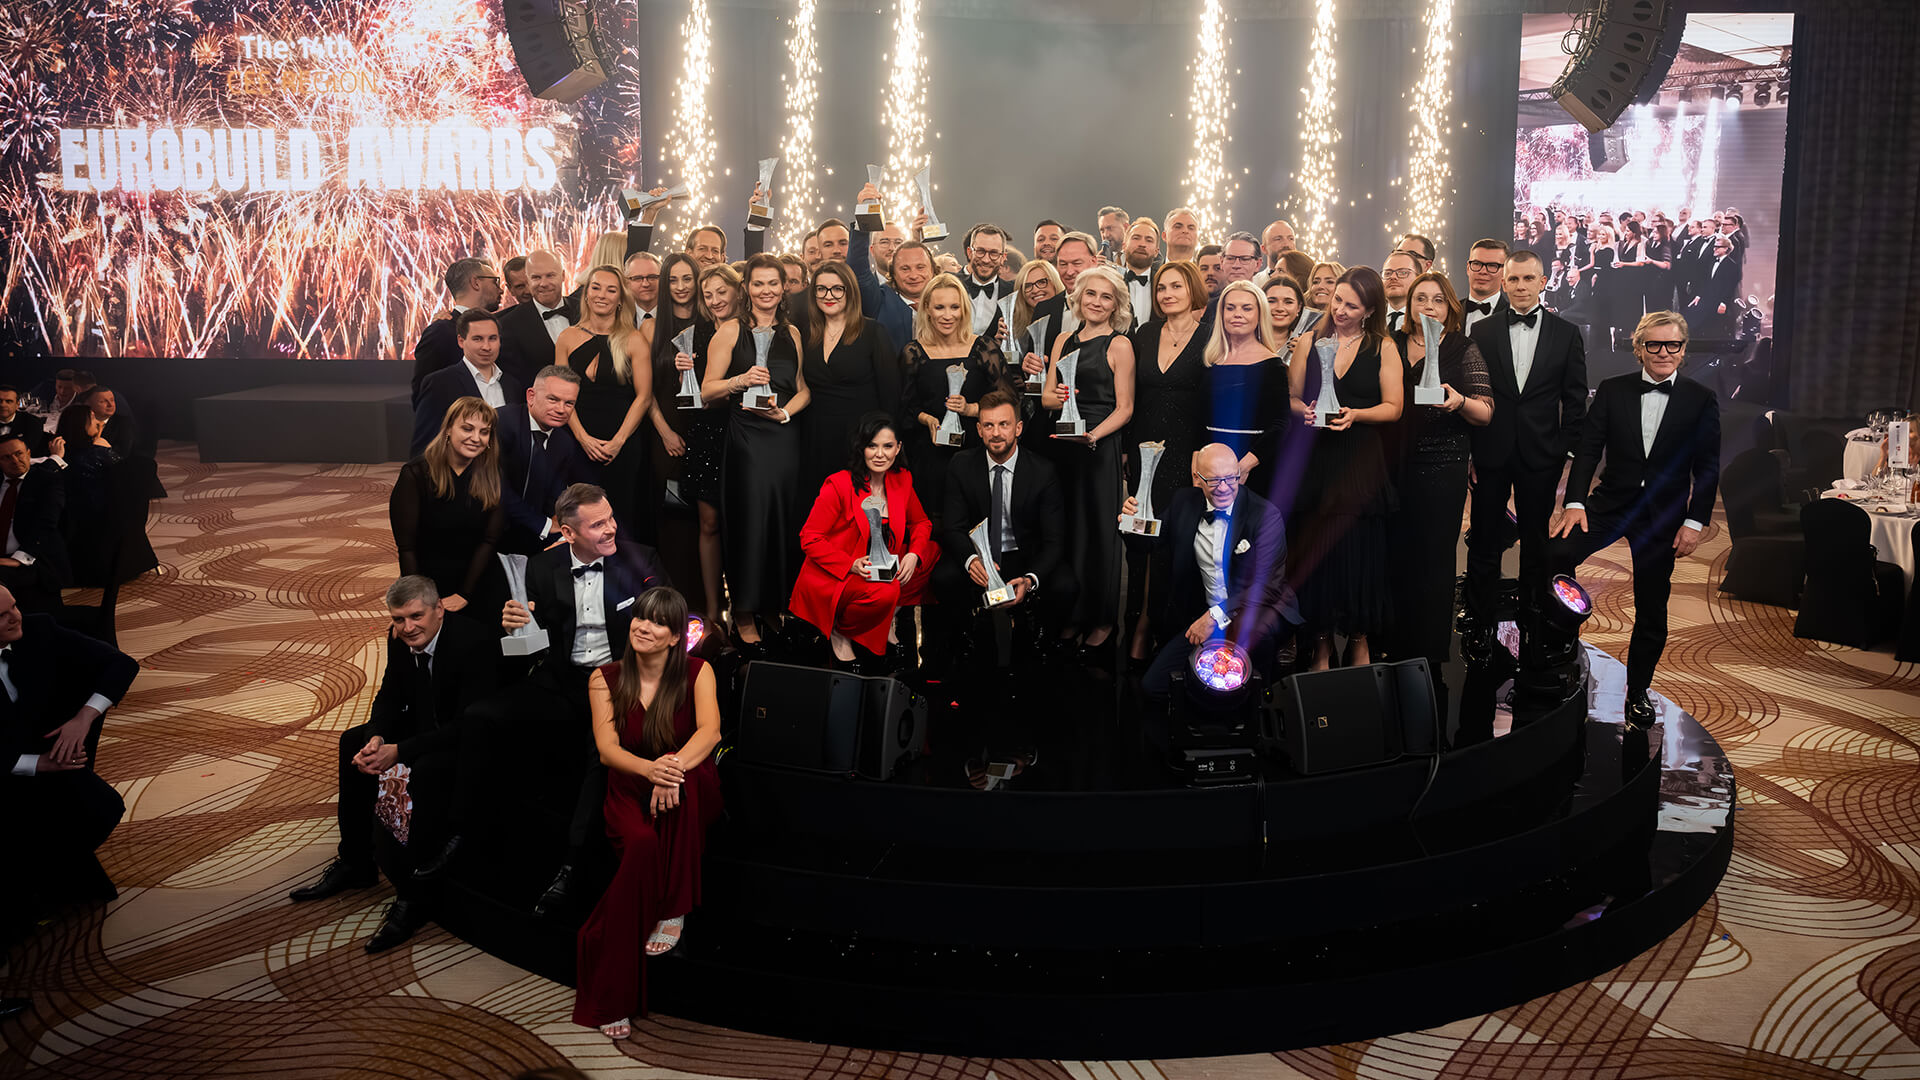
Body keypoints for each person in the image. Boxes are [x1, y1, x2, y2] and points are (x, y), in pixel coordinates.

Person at [289, 576, 499, 952]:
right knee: (353, 743)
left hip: (467, 739)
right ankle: (356, 863)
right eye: (398, 619)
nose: (407, 627)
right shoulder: (398, 638)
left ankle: (413, 898)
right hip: (424, 724)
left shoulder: (475, 642)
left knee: (428, 770)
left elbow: (467, 725)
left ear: (439, 609)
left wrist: (400, 751)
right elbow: (389, 694)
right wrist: (377, 737)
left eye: (416, 616)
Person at [495, 483, 671, 917]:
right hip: (562, 678)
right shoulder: (541, 566)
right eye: (597, 525)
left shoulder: (641, 559)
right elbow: (533, 637)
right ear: (568, 533)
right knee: (490, 718)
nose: (611, 529)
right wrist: (515, 623)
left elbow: (669, 619)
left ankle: (571, 865)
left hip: (618, 682)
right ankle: (488, 838)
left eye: (610, 518)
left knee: (600, 757)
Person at [1549, 311, 1717, 724]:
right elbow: (1589, 449)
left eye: (1672, 344)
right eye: (1654, 344)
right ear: (1639, 349)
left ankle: (1638, 690)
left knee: (1651, 605)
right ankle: (1561, 653)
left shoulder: (1700, 398)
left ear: (1683, 350)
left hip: (1663, 515)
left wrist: (1694, 522)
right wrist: (1575, 502)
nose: (1663, 352)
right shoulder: (1613, 389)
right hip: (1612, 503)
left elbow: (1707, 467)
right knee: (1555, 555)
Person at [570, 586, 722, 1040]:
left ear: (676, 637)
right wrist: (651, 772)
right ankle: (602, 950)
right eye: (640, 617)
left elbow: (710, 733)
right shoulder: (604, 678)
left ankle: (675, 908)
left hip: (688, 776)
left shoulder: (699, 671)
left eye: (657, 622)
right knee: (640, 845)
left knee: (686, 789)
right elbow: (607, 750)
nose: (643, 627)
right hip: (630, 785)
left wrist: (671, 770)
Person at [1464, 250, 1587, 657]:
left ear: (1542, 282)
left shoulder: (1566, 333)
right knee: (1484, 540)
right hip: (1491, 451)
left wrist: (1564, 450)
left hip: (1541, 454)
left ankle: (1532, 620)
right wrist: (1471, 450)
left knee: (1536, 541)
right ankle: (1480, 623)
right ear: (1504, 283)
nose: (1520, 286)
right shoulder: (1482, 331)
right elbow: (1473, 392)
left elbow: (1575, 401)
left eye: (1528, 278)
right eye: (1513, 279)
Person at [0, 584, 134, 940]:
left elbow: (121, 664)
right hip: (9, 765)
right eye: (2, 615)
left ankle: (39, 881)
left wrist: (84, 717)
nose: (15, 617)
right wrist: (34, 764)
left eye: (14, 606)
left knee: (103, 807)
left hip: (47, 755)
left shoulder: (38, 629)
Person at [1288, 266, 1404, 670]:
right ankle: (1321, 641)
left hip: (1360, 461)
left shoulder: (1382, 346)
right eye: (1337, 300)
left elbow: (1394, 407)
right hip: (1317, 460)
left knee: (1360, 555)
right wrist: (1303, 411)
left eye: (1351, 306)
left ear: (1370, 310)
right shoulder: (1308, 340)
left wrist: (1357, 415)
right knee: (1318, 553)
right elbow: (1291, 396)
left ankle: (1358, 637)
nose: (1339, 309)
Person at [1122, 443, 1300, 698]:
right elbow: (1149, 542)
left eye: (1231, 478)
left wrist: (1215, 615)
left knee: (1245, 684)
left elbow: (1267, 586)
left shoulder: (1265, 515)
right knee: (1154, 686)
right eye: (1214, 480)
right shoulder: (1183, 502)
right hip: (1203, 615)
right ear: (1198, 478)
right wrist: (1130, 524)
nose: (1224, 487)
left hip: (1255, 610)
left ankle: (1255, 700)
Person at [1384, 273, 1493, 671]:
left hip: (1442, 464)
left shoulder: (1463, 347)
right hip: (1391, 462)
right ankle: (1391, 643)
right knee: (1393, 552)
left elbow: (1485, 412)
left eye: (1437, 300)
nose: (1428, 306)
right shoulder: (1391, 343)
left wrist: (1459, 401)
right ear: (1409, 305)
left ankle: (1428, 651)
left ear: (1450, 307)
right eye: (1421, 299)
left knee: (1433, 557)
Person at [702, 253, 809, 648]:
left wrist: (786, 413)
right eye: (758, 283)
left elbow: (803, 388)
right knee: (749, 522)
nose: (766, 291)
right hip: (746, 440)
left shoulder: (792, 333)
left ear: (784, 288)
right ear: (746, 288)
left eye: (773, 283)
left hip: (783, 438)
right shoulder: (731, 330)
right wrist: (741, 380)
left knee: (780, 521)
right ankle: (743, 611)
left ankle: (771, 606)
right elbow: (707, 389)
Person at [791, 414, 940, 662]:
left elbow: (921, 523)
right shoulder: (838, 484)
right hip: (843, 572)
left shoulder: (902, 478)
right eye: (872, 446)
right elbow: (809, 537)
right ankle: (840, 631)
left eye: (887, 446)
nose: (880, 454)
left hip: (883, 564)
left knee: (930, 552)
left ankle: (887, 617)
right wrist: (850, 564)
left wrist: (913, 554)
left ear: (898, 448)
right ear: (862, 448)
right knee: (886, 592)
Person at [1041, 264, 1135, 658]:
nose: (1096, 302)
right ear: (1078, 298)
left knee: (1098, 535)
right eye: (1090, 294)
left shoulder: (1120, 344)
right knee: (1066, 532)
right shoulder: (1063, 339)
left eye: (1105, 296)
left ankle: (1101, 623)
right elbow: (1047, 398)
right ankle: (1070, 615)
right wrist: (1061, 398)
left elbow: (1125, 408)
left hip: (1099, 447)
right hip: (1063, 446)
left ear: (1116, 305)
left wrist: (1093, 436)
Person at [934, 391, 1077, 648]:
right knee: (943, 577)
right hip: (980, 556)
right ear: (979, 430)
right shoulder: (961, 465)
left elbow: (1054, 541)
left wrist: (1030, 579)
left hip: (1024, 555)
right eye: (988, 425)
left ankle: (1041, 636)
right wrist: (971, 560)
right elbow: (953, 527)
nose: (996, 433)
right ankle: (965, 636)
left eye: (1004, 424)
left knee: (1065, 585)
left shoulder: (1043, 471)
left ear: (1018, 428)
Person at [1123, 261, 1210, 665]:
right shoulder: (1144, 333)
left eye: (1176, 286)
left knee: (1175, 543)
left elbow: (1212, 403)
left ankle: (1164, 627)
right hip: (1144, 450)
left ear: (1193, 291)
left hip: (1187, 452)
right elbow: (1134, 396)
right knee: (1139, 538)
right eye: (1161, 287)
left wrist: (1202, 457)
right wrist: (1128, 449)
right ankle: (1138, 622)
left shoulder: (1210, 337)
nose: (1167, 294)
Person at [902, 275, 1018, 526]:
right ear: (927, 310)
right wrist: (927, 420)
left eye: (954, 307)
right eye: (939, 307)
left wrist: (972, 409)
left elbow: (1008, 399)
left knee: (977, 522)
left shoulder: (984, 347)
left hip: (977, 451)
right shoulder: (913, 351)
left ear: (964, 309)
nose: (948, 315)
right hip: (930, 455)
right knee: (934, 528)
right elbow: (906, 406)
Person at [389, 397, 508, 620]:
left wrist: (465, 593)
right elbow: (407, 548)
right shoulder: (415, 474)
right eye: (467, 428)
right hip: (430, 580)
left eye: (484, 432)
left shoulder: (493, 474)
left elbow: (490, 540)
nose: (476, 438)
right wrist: (420, 600)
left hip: (479, 576)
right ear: (448, 429)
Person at [557, 265, 654, 527]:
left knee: (621, 516)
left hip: (623, 442)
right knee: (580, 517)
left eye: (611, 290)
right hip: (576, 440)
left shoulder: (634, 339)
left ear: (620, 299)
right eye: (596, 288)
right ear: (586, 293)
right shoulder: (566, 337)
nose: (602, 295)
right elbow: (561, 396)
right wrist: (582, 438)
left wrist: (618, 442)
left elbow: (644, 397)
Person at [799, 261, 900, 498]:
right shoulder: (806, 333)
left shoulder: (873, 332)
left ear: (850, 292)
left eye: (837, 288)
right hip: (815, 437)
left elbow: (891, 395)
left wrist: (882, 444)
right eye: (821, 289)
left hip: (859, 439)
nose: (829, 296)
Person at [1203, 281, 1293, 500]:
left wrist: (1244, 466)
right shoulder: (1210, 361)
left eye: (1246, 308)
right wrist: (1199, 463)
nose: (1237, 314)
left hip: (1256, 467)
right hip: (1211, 469)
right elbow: (1199, 420)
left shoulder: (1272, 365)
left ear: (1259, 315)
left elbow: (1281, 424)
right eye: (1230, 307)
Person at [496, 365, 588, 555]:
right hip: (488, 529)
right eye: (553, 399)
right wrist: (543, 525)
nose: (561, 409)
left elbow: (554, 497)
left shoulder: (564, 443)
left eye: (569, 403)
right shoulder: (502, 422)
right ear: (531, 396)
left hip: (531, 539)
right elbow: (494, 487)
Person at [412, 309, 523, 455]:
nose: (486, 347)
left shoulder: (513, 385)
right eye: (478, 339)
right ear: (461, 341)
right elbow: (424, 445)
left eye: (492, 338)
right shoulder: (439, 383)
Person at [849, 183, 935, 351]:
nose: (913, 275)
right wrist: (865, 214)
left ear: (933, 270)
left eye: (920, 267)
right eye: (905, 269)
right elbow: (857, 266)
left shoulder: (946, 298)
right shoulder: (879, 299)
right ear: (893, 272)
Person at [412, 258, 503, 403]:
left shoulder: (499, 326)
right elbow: (424, 394)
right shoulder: (440, 331)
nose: (501, 289)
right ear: (476, 283)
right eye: (495, 282)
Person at [0, 433, 69, 614]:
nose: (15, 461)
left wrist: (19, 559)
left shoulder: (45, 480)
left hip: (34, 557)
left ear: (29, 454)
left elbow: (47, 522)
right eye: (6, 457)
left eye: (19, 454)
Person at [496, 251, 580, 388]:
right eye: (536, 277)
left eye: (550, 275)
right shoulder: (508, 325)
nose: (543, 283)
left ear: (563, 276)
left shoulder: (586, 310)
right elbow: (515, 381)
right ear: (528, 281)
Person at [1690, 235, 1741, 341]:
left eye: (1718, 247)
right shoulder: (1712, 262)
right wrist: (1699, 296)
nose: (1714, 249)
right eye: (1714, 246)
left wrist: (1723, 303)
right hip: (1708, 300)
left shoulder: (1732, 265)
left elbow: (1730, 287)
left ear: (1726, 249)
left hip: (1720, 302)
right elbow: (1707, 282)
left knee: (1717, 330)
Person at [1210, 232, 1264, 320]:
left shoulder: (1268, 304)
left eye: (1245, 259)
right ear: (1221, 262)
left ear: (1258, 264)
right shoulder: (1211, 307)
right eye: (1230, 258)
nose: (1236, 265)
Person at [1461, 238, 1510, 331]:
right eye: (1477, 264)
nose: (1483, 271)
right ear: (1468, 268)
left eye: (1492, 266)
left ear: (1505, 272)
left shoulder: (1513, 316)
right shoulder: (1449, 311)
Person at [1119, 218, 1163, 321]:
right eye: (1136, 238)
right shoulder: (1111, 281)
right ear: (1124, 246)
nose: (1142, 244)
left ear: (1156, 252)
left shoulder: (1164, 283)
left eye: (1149, 240)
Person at [960, 224, 1013, 306]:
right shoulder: (952, 286)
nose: (986, 260)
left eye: (993, 253)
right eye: (980, 251)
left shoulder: (1013, 293)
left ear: (1003, 257)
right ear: (969, 252)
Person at [1381, 250, 1418, 333]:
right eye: (1388, 273)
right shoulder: (1368, 320)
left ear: (1418, 278)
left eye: (1403, 272)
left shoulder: (1427, 322)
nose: (1393, 277)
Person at [0, 387, 44, 455]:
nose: (2, 405)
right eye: (0, 401)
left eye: (9, 401)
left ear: (17, 405)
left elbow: (28, 451)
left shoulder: (33, 423)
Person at [625, 251, 663, 321]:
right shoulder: (618, 317)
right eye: (638, 278)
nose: (646, 284)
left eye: (652, 277)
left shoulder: (676, 314)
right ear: (627, 282)